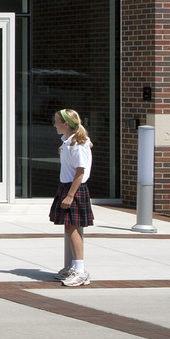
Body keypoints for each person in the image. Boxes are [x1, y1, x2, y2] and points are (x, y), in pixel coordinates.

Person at [51, 109, 95, 287]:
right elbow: (89, 144)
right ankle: (75, 268)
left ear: (66, 124)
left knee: (72, 229)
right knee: (69, 228)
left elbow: (80, 171)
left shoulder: (76, 145)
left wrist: (70, 195)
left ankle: (80, 271)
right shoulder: (71, 142)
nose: (54, 125)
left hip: (74, 187)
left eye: (57, 122)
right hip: (67, 186)